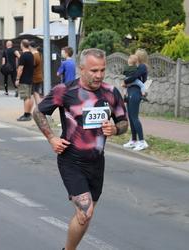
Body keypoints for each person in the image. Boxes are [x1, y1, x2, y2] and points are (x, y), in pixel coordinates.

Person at [33, 48, 128, 250]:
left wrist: (115, 129)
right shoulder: (65, 90)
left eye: (102, 70)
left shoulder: (111, 92)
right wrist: (51, 138)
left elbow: (124, 122)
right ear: (81, 69)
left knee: (86, 214)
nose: (99, 75)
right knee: (85, 212)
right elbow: (38, 112)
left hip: (96, 162)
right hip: (71, 160)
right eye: (94, 70)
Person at [122, 49, 149, 151]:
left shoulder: (142, 66)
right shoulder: (136, 67)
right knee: (131, 117)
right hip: (131, 91)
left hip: (135, 92)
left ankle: (142, 141)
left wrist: (125, 81)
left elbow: (134, 77)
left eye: (135, 55)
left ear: (139, 57)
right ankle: (133, 140)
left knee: (134, 117)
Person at [15, 39, 34, 121]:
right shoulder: (31, 55)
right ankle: (29, 113)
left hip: (24, 79)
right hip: (30, 78)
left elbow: (20, 68)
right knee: (29, 97)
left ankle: (26, 115)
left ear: (22, 45)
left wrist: (17, 78)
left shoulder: (23, 55)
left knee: (25, 97)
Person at [29, 41, 43, 105]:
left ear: (30, 46)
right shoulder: (39, 54)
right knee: (36, 93)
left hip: (34, 77)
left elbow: (32, 66)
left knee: (32, 94)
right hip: (38, 76)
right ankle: (39, 109)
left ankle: (30, 111)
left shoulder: (34, 55)